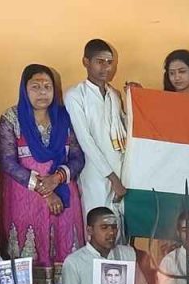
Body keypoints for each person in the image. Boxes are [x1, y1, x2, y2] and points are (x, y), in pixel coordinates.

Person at [0, 64, 86, 284]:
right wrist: (46, 191)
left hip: (65, 194)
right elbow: (8, 162)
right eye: (35, 87)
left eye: (47, 87)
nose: (42, 92)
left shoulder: (64, 118)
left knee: (65, 248)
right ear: (24, 89)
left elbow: (78, 157)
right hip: (26, 196)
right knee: (30, 254)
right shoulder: (11, 118)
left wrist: (57, 179)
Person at [62, 207, 162, 284]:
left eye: (114, 227)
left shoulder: (128, 253)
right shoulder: (74, 261)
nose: (111, 233)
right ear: (89, 230)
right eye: (104, 227)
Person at [65, 39, 128, 234]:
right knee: (99, 229)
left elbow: (125, 130)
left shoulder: (113, 95)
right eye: (99, 61)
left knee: (119, 229)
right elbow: (85, 140)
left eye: (110, 62)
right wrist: (112, 178)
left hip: (121, 170)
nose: (106, 67)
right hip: (96, 173)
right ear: (86, 62)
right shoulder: (76, 95)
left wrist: (135, 98)